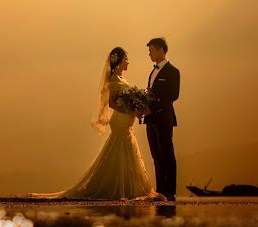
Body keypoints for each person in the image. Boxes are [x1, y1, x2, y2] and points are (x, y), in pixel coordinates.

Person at [33, 47, 163, 201]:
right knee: (121, 150)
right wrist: (131, 110)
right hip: (120, 121)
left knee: (124, 151)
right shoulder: (114, 80)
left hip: (126, 120)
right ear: (119, 61)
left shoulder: (121, 79)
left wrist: (135, 108)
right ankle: (119, 188)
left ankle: (127, 187)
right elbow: (113, 104)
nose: (128, 62)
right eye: (125, 59)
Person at [143, 37, 181, 201]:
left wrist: (153, 107)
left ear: (160, 50)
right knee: (156, 155)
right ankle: (160, 190)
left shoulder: (173, 71)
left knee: (167, 153)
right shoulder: (153, 72)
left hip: (164, 118)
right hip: (150, 119)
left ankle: (170, 190)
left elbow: (173, 95)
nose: (149, 54)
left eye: (151, 50)